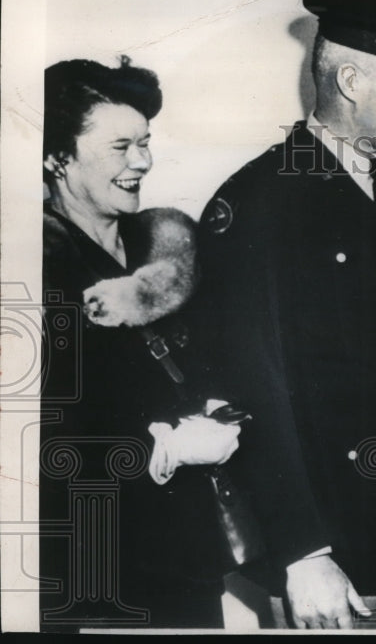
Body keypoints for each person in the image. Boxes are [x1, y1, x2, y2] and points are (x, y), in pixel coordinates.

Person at [192, 0, 376, 630]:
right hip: (333, 557)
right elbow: (246, 388)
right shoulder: (259, 201)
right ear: (350, 78)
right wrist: (301, 551)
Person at [40, 57, 243, 629]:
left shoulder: (164, 245)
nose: (142, 162)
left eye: (146, 143)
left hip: (188, 556)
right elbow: (35, 442)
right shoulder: (33, 264)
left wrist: (216, 408)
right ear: (57, 156)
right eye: (121, 146)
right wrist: (164, 448)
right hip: (95, 567)